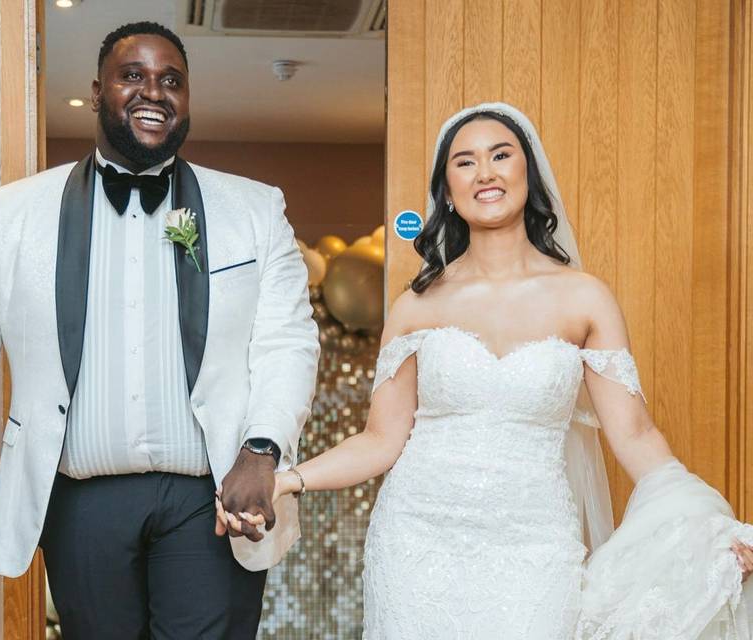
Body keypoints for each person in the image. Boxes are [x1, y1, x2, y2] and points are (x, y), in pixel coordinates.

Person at [0, 21, 318, 639]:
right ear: (98, 92)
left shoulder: (254, 210)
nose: (153, 92)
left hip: (212, 497)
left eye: (171, 80)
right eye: (133, 76)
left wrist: (262, 449)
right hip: (80, 501)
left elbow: (288, 340)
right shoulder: (13, 215)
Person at [219, 103, 753, 639]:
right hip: (417, 540)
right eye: (466, 162)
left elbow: (635, 433)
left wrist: (706, 523)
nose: (487, 172)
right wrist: (288, 478)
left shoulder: (584, 298)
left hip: (535, 544)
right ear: (448, 190)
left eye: (501, 155)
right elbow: (381, 440)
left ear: (528, 172)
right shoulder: (417, 305)